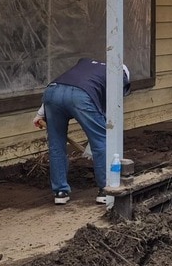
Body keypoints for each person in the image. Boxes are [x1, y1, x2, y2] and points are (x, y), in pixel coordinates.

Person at [33, 57, 130, 205]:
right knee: (102, 141)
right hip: (81, 95)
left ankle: (60, 192)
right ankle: (105, 190)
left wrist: (40, 114)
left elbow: (63, 86)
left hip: (51, 93)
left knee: (56, 144)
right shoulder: (117, 74)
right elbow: (109, 109)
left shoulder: (87, 65)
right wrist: (97, 140)